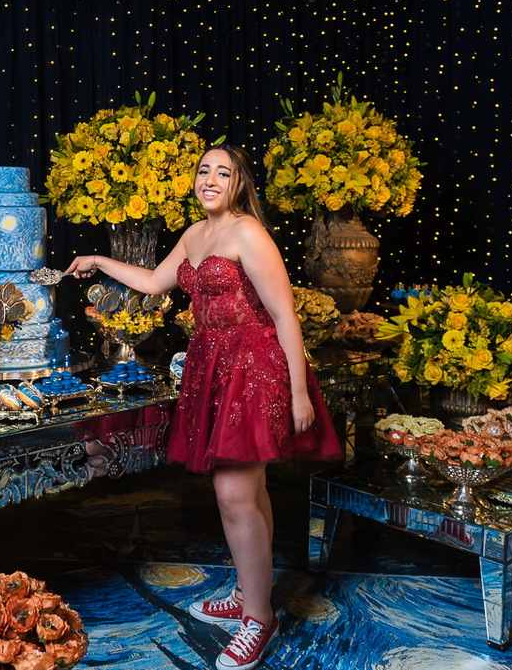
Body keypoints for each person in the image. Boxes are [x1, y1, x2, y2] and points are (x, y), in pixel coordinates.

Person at [66, 145, 341, 670]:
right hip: (212, 366)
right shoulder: (194, 234)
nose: (210, 179)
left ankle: (258, 618)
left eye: (223, 172)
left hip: (254, 368)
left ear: (238, 184)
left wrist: (300, 391)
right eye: (203, 170)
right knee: (247, 493)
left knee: (234, 493)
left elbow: (285, 314)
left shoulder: (248, 233)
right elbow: (153, 282)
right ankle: (247, 593)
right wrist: (98, 261)